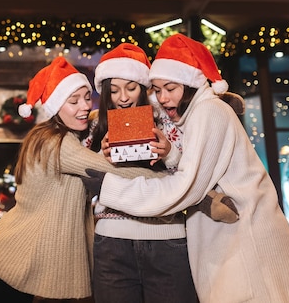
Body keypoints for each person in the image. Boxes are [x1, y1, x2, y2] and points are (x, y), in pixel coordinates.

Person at [82, 34, 289, 303]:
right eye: (157, 90)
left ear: (190, 83)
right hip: (229, 242)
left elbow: (185, 189)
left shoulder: (208, 113)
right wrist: (167, 157)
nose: (164, 97)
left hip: (245, 241)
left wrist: (111, 188)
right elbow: (201, 170)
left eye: (170, 88)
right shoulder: (195, 116)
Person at [0, 56, 164, 303]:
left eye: (87, 98)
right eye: (73, 101)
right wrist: (167, 177)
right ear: (56, 107)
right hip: (10, 260)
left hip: (13, 255)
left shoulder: (54, 136)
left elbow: (91, 149)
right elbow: (114, 171)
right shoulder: (59, 144)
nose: (84, 107)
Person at [85, 43, 238, 303]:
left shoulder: (169, 119)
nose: (123, 97)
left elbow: (194, 177)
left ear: (144, 89)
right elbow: (87, 179)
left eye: (131, 87)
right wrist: (103, 156)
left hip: (167, 240)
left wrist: (169, 152)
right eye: (113, 91)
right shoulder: (97, 126)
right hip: (113, 241)